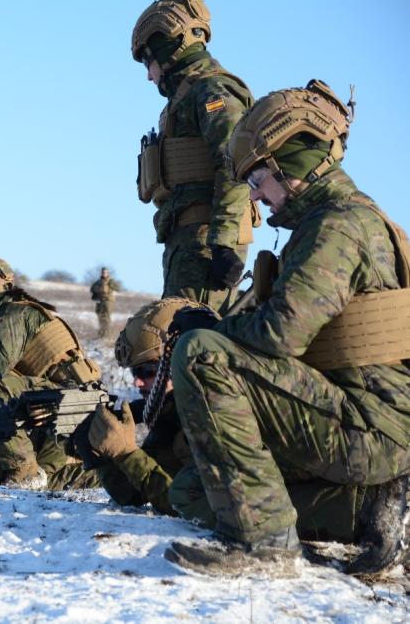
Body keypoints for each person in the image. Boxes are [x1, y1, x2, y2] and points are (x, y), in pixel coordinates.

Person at [165, 80, 410, 577]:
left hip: (371, 427)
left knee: (201, 353)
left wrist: (212, 332)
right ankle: (367, 509)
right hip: (360, 422)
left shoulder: (337, 228)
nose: (257, 195)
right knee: (191, 490)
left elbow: (281, 336)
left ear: (294, 162)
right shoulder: (345, 221)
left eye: (259, 178)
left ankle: (266, 547)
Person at [80, 298, 367, 549]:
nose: (138, 382)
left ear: (178, 359)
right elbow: (136, 493)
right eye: (134, 372)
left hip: (356, 511)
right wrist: (98, 453)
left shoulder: (218, 407)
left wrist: (128, 455)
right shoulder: (172, 411)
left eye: (147, 370)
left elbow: (188, 500)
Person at [132, 0, 259, 312]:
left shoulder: (212, 90)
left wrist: (222, 243)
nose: (149, 76)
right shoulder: (186, 97)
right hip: (191, 241)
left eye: (148, 62)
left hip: (206, 243)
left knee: (191, 343)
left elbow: (234, 165)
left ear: (168, 49)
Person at [0, 258, 102, 486]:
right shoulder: (13, 312)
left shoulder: (13, 314)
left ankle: (25, 473)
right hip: (62, 403)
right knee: (48, 479)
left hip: (70, 402)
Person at [89, 267, 120, 339]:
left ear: (108, 273)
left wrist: (112, 287)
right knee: (100, 316)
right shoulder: (98, 281)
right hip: (100, 301)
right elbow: (92, 289)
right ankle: (101, 335)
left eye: (106, 272)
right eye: (103, 272)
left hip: (108, 301)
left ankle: (106, 336)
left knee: (106, 318)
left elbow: (118, 288)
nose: (104, 273)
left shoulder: (111, 281)